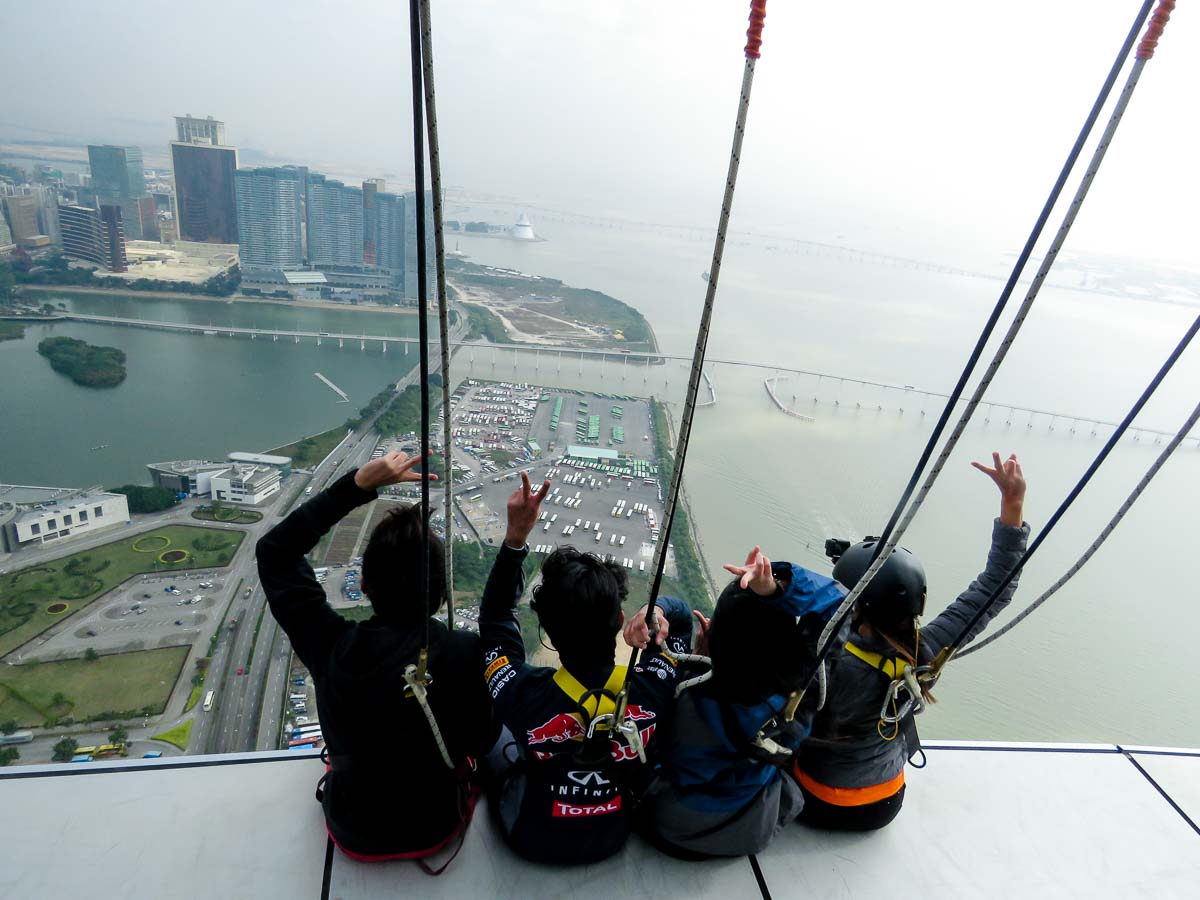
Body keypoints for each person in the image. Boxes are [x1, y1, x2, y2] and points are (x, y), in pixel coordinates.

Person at [256, 452, 497, 864]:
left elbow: (275, 553)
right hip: (436, 824)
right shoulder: (466, 652)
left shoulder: (332, 647)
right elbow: (482, 741)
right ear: (441, 594)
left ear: (364, 584)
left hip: (355, 829)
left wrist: (355, 487)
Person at [794, 451, 1030, 831]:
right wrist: (1012, 504)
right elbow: (997, 586)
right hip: (883, 804)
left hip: (812, 801)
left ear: (852, 602)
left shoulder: (824, 657)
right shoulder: (923, 652)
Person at [479, 472, 694, 865]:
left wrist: (515, 539)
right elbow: (681, 625)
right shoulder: (653, 687)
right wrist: (659, 610)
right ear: (621, 621)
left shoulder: (522, 695)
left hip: (530, 838)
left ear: (549, 634)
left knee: (490, 741)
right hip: (611, 836)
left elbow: (494, 620)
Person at [622, 547, 845, 858]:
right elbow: (841, 603)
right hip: (752, 827)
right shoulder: (800, 696)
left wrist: (659, 612)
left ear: (717, 641)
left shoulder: (682, 691)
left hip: (672, 828)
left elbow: (677, 623)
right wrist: (777, 589)